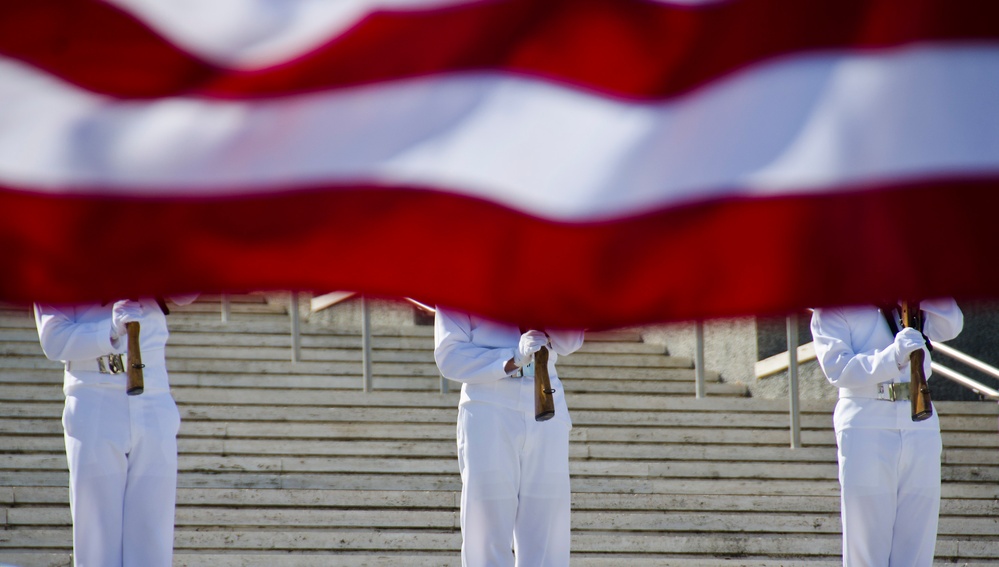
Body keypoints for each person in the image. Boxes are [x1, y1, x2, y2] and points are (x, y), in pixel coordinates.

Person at [34, 295, 197, 567]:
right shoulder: (64, 262)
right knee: (97, 533)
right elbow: (54, 339)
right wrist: (108, 329)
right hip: (93, 393)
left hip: (153, 392)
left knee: (152, 531)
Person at [810, 298, 963, 567]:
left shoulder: (910, 302)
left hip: (919, 417)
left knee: (917, 543)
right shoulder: (833, 303)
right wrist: (892, 357)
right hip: (866, 419)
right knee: (867, 545)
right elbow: (839, 369)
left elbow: (952, 324)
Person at [433, 307, 584, 567]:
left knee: (547, 523)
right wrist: (513, 357)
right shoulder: (460, 277)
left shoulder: (548, 276)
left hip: (545, 391)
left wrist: (547, 313)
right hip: (489, 397)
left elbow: (571, 341)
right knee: (487, 520)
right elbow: (450, 356)